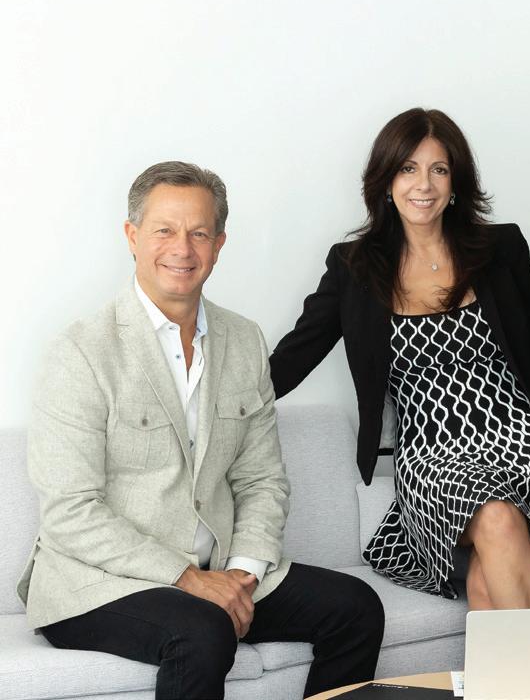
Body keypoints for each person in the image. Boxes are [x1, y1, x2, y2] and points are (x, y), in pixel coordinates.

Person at [17, 162, 384, 699]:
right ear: (132, 237)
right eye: (164, 230)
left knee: (355, 607)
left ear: (219, 244)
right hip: (98, 582)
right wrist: (188, 579)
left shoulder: (244, 340)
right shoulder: (81, 352)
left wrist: (242, 573)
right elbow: (70, 512)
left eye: (199, 233)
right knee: (203, 629)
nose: (182, 249)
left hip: (217, 572)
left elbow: (262, 480)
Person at [269, 107, 530, 609]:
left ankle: (523, 663)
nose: (423, 185)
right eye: (408, 168)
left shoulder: (501, 248)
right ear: (386, 180)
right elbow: (295, 355)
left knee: (491, 553)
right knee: (497, 524)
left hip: (524, 439)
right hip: (433, 455)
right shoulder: (354, 266)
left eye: (439, 169)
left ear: (456, 182)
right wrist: (214, 400)